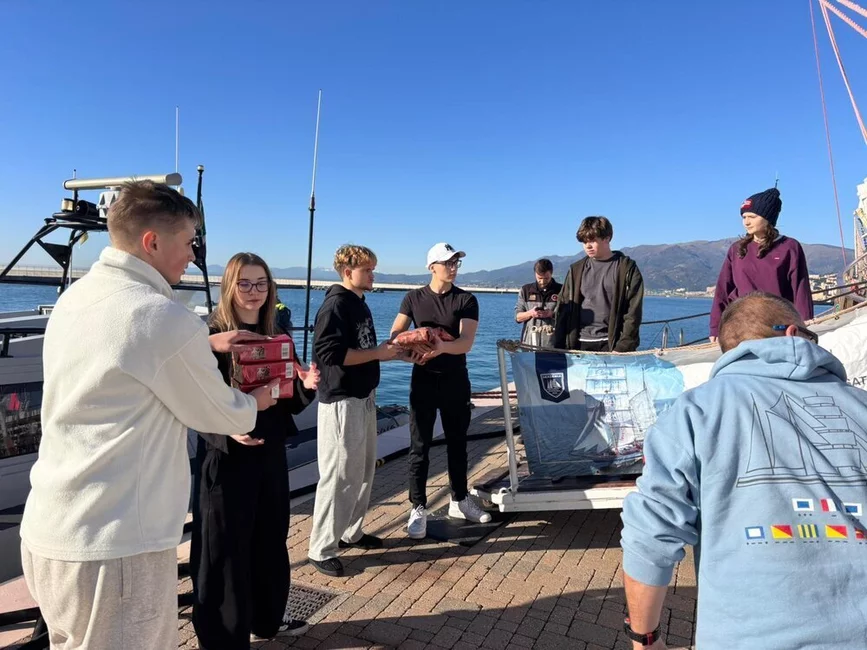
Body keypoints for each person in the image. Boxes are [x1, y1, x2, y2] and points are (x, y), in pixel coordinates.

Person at [18, 180, 278, 650]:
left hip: (50, 531)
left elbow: (125, 360)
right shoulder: (163, 317)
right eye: (189, 242)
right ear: (152, 242)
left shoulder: (76, 298)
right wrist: (258, 401)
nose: (194, 255)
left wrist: (202, 342)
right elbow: (226, 414)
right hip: (116, 548)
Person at [620, 292, 867, 650]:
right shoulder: (861, 406)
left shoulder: (694, 411)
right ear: (793, 334)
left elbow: (650, 534)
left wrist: (645, 638)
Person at [191, 253, 320, 648]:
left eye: (261, 283)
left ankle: (266, 620)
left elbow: (288, 399)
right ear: (229, 286)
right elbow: (191, 400)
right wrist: (229, 428)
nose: (253, 291)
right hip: (226, 459)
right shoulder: (208, 335)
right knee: (223, 552)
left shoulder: (277, 332)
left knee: (269, 541)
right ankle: (222, 640)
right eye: (244, 283)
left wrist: (306, 385)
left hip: (270, 454)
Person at [307, 244, 398, 577]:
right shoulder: (335, 305)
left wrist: (390, 353)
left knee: (362, 471)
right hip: (342, 400)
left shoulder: (358, 303)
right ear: (348, 272)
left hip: (364, 397)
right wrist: (378, 354)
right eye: (367, 270)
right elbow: (330, 354)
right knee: (339, 475)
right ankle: (320, 548)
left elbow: (365, 348)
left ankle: (350, 531)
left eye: (373, 268)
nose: (373, 275)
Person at [390, 242, 491, 541]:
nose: (453, 267)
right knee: (419, 445)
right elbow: (395, 334)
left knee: (457, 443)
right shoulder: (413, 298)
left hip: (455, 379)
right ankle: (418, 507)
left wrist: (441, 347)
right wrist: (409, 346)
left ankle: (459, 500)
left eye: (456, 262)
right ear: (432, 267)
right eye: (448, 262)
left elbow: (466, 342)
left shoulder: (466, 299)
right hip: (423, 380)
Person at [709, 187, 814, 342]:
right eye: (744, 217)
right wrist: (715, 328)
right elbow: (723, 290)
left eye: (752, 216)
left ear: (768, 218)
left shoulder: (789, 247)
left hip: (777, 325)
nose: (746, 222)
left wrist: (805, 322)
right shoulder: (736, 249)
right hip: (740, 324)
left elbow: (800, 287)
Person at [553, 216, 644, 352]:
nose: (587, 246)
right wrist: (558, 345)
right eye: (584, 242)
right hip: (578, 344)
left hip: (612, 345)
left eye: (592, 240)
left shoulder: (627, 269)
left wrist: (623, 346)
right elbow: (563, 308)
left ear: (607, 238)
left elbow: (633, 312)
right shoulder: (575, 270)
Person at [515, 258, 562, 348]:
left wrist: (552, 314)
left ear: (551, 273)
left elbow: (568, 317)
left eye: (546, 278)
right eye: (539, 278)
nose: (542, 282)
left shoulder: (561, 290)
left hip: (554, 345)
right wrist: (531, 313)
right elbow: (517, 317)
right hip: (528, 344)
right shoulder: (525, 290)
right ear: (535, 274)